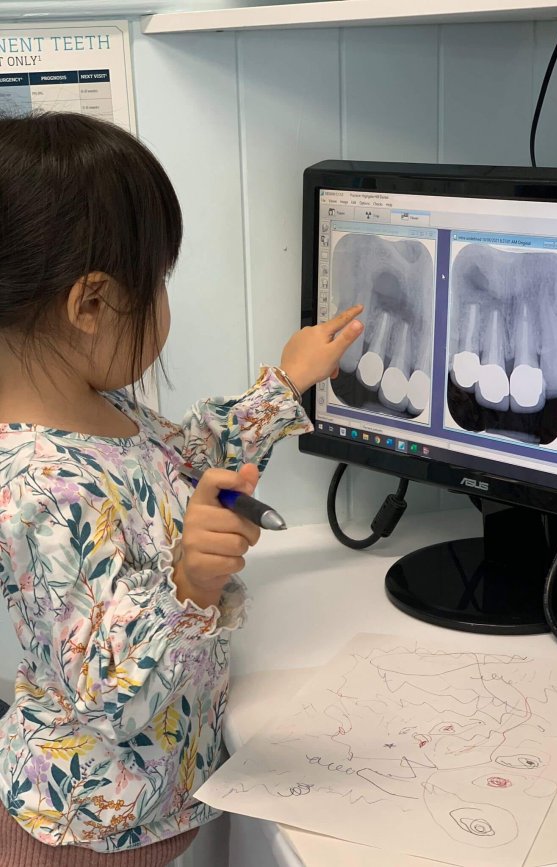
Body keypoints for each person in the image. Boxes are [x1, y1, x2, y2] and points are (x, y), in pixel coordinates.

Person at [0, 112, 363, 866]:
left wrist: (286, 383)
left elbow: (184, 459)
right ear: (91, 304)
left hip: (156, 799)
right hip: (90, 832)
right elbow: (109, 691)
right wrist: (188, 580)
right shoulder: (36, 487)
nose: (166, 299)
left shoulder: (100, 408)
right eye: (157, 281)